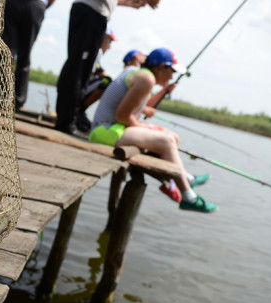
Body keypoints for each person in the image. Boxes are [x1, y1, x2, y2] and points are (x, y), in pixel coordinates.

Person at [89, 47, 216, 213]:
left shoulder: (141, 75)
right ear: (161, 67)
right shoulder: (146, 79)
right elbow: (122, 115)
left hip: (115, 127)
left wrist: (160, 97)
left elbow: (137, 108)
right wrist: (145, 126)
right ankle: (188, 196)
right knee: (166, 141)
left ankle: (180, 180)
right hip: (104, 130)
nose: (171, 76)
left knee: (173, 137)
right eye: (171, 71)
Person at [54, 0, 160, 135]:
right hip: (92, 12)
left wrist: (130, 3)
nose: (109, 46)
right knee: (79, 69)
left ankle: (67, 118)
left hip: (92, 11)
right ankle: (66, 120)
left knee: (78, 67)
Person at [1, 0, 55, 110]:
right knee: (22, 55)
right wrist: (44, 6)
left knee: (6, 51)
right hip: (35, 6)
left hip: (15, 4)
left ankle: (1, 96)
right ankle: (18, 99)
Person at [76, 28, 117, 132]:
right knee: (107, 82)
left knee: (108, 81)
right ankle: (79, 111)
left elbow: (100, 71)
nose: (109, 47)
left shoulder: (93, 51)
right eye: (109, 42)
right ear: (104, 38)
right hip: (77, 88)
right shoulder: (97, 52)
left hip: (75, 88)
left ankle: (79, 110)